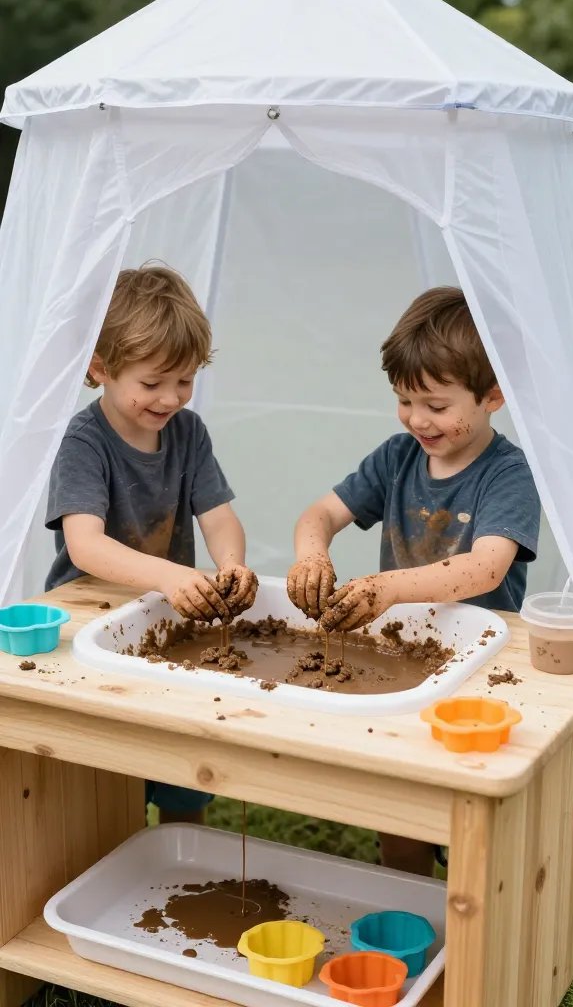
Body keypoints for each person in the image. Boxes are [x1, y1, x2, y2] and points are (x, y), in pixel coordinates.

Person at [287, 286, 540, 875]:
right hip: (402, 655)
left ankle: (475, 911)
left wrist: (388, 588)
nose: (417, 419)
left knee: (472, 815)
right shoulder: (398, 458)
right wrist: (311, 555)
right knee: (400, 799)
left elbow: (486, 567)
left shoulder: (508, 473)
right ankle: (409, 893)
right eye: (404, 400)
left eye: (435, 404)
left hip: (481, 662)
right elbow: (318, 515)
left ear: (493, 396)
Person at [46, 264, 258, 823]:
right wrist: (168, 574)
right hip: (88, 623)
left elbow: (219, 517)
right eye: (152, 383)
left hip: (164, 618)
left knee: (186, 760)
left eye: (185, 381)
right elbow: (86, 545)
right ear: (101, 369)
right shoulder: (84, 442)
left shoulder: (188, 434)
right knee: (108, 782)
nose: (171, 398)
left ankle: (184, 860)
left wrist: (231, 564)